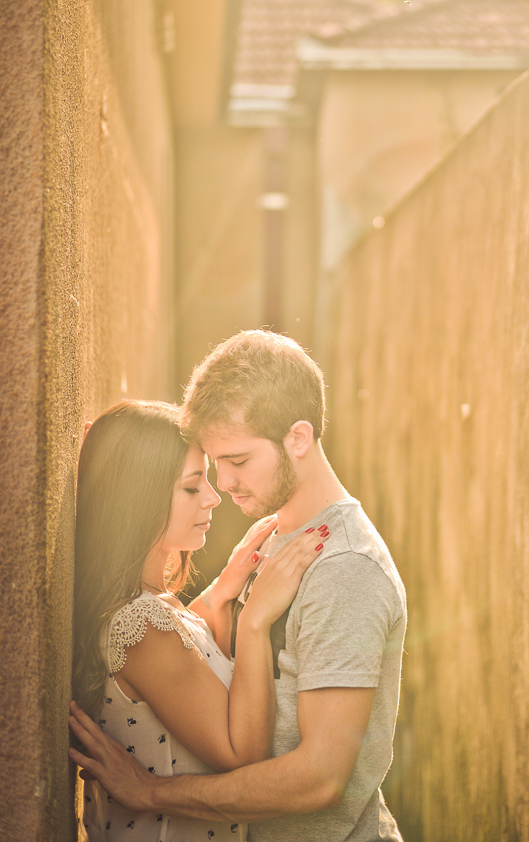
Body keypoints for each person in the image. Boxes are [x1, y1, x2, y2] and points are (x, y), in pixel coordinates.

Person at [71, 330, 407, 842]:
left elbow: (319, 779)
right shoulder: (274, 540)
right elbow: (197, 664)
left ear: (298, 438)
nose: (222, 487)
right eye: (211, 465)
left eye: (238, 462)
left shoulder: (346, 569)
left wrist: (150, 791)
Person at [73, 398, 327, 841]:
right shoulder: (143, 625)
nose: (213, 497)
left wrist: (222, 592)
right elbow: (242, 755)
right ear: (139, 497)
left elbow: (185, 661)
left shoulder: (150, 609)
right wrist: (254, 622)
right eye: (193, 486)